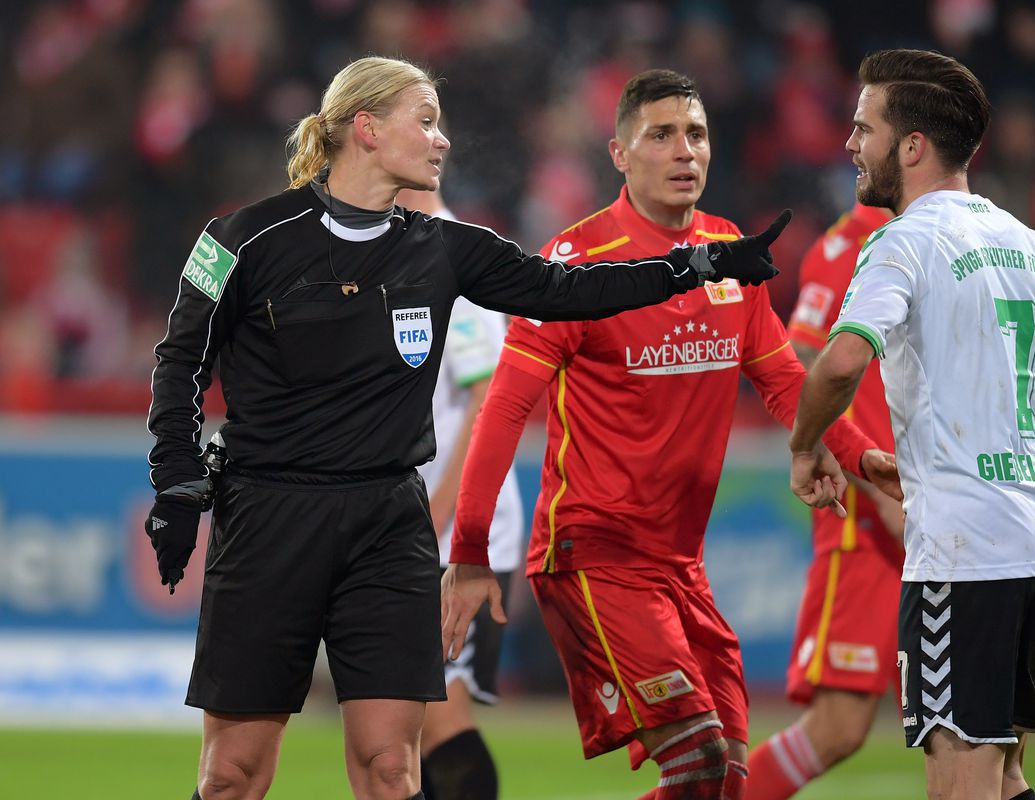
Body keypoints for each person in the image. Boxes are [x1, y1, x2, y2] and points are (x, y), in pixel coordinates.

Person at [142, 55, 790, 800]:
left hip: (389, 526)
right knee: (232, 775)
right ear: (367, 129)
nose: (442, 139)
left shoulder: (445, 247)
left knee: (392, 768)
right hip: (268, 519)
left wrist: (697, 264)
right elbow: (180, 362)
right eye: (425, 121)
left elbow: (570, 290)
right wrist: (178, 481)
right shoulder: (239, 239)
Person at [439, 69, 900, 800]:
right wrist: (468, 551)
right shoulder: (574, 266)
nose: (685, 150)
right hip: (591, 553)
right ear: (620, 154)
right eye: (661, 135)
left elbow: (785, 381)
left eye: (696, 134)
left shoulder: (728, 254)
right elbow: (502, 408)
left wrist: (861, 457)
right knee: (699, 759)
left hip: (680, 564)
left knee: (728, 780)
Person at [788, 49, 1035, 800]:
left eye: (865, 128)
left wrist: (807, 445)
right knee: (1004, 777)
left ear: (912, 146)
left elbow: (840, 364)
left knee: (959, 784)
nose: (850, 143)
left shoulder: (901, 242)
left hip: (963, 558)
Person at [745, 201, 902, 799]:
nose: (856, 155)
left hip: (939, 508)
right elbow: (803, 360)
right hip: (869, 518)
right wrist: (870, 486)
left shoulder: (943, 232)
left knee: (980, 727)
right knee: (839, 726)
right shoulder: (847, 246)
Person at [395, 185, 523, 800]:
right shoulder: (405, 251)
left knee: (438, 721)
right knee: (401, 728)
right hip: (427, 527)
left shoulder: (448, 256)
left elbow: (488, 396)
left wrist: (436, 516)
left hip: (457, 535)